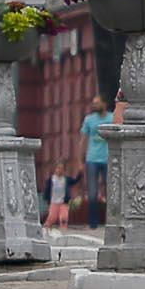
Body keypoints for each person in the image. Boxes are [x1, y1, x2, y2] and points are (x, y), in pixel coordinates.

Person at [80, 96, 111, 229]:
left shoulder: (112, 118)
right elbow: (83, 139)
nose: (94, 106)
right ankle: (93, 223)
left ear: (104, 104)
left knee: (110, 191)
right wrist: (79, 158)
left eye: (97, 103)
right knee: (92, 192)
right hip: (92, 158)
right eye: (93, 104)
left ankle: (110, 221)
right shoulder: (89, 120)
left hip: (108, 158)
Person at [43, 157, 77, 231]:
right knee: (52, 217)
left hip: (63, 203)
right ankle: (46, 228)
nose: (59, 170)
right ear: (55, 169)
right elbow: (47, 189)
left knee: (63, 217)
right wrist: (46, 198)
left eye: (61, 168)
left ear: (64, 170)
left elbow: (74, 181)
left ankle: (63, 228)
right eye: (58, 168)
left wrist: (80, 174)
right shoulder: (51, 179)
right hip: (54, 202)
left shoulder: (66, 179)